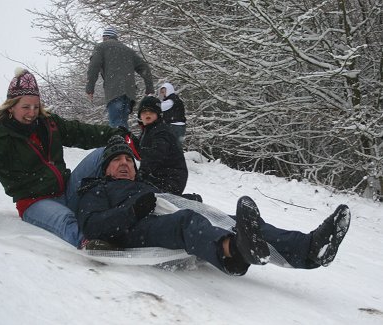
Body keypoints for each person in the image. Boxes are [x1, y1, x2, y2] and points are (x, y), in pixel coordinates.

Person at [77, 136, 351, 276]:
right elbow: (92, 225)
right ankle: (232, 252)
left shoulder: (144, 185)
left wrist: (188, 201)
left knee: (234, 221)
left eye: (129, 161)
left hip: (156, 216)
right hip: (134, 230)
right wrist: (133, 210)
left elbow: (161, 201)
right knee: (186, 222)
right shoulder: (98, 189)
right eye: (117, 161)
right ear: (106, 169)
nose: (125, 164)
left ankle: (311, 248)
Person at [0, 68, 126, 248]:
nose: (32, 112)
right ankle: (91, 242)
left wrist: (119, 135)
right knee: (65, 219)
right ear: (11, 106)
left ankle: (129, 196)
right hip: (35, 202)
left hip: (67, 190)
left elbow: (81, 132)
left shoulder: (48, 122)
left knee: (107, 151)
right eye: (26, 107)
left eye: (36, 106)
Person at [85, 27, 154, 129]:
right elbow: (145, 68)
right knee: (122, 123)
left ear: (105, 37)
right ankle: (124, 143)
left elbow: (93, 68)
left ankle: (119, 144)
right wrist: (149, 88)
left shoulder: (101, 47)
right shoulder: (128, 50)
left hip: (114, 91)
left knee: (116, 125)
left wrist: (90, 88)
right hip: (129, 93)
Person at [135, 96, 188, 196]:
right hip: (158, 177)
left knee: (143, 196)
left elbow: (156, 155)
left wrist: (141, 173)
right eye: (144, 111)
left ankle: (190, 200)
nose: (147, 114)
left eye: (151, 111)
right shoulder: (147, 131)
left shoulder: (162, 132)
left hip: (170, 180)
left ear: (158, 114)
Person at [159, 82, 186, 148]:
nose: (162, 94)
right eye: (161, 92)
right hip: (180, 126)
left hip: (173, 126)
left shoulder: (170, 100)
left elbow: (159, 107)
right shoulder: (176, 99)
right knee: (177, 147)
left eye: (163, 92)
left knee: (171, 147)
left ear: (168, 91)